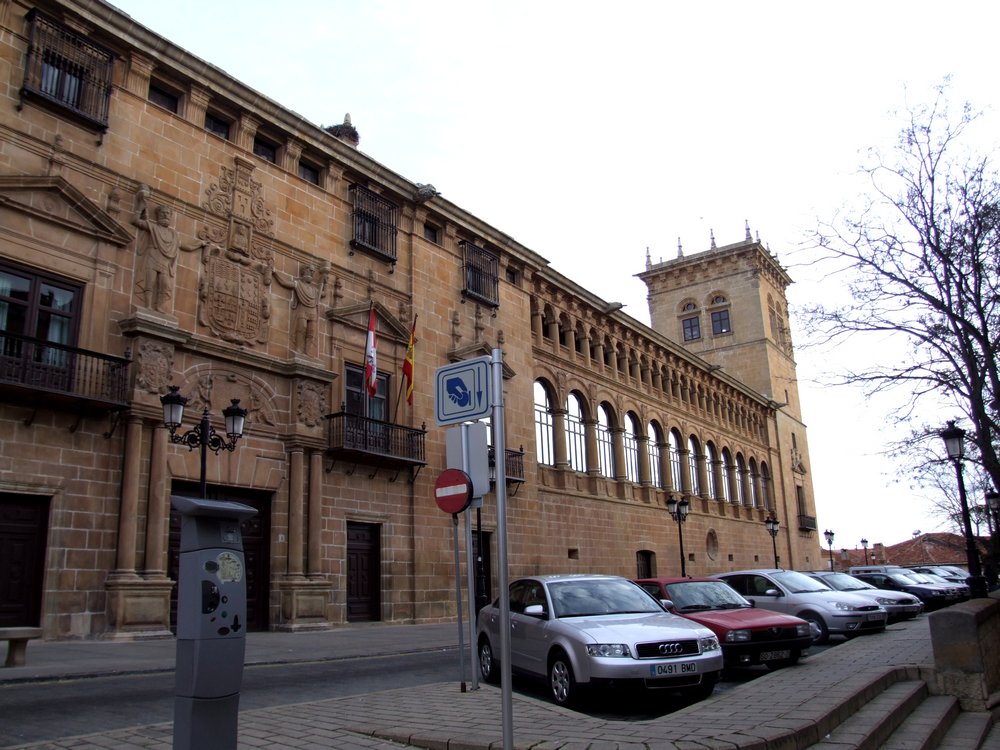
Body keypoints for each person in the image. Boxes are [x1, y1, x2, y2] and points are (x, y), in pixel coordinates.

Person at [132, 186, 181, 313]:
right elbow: (136, 221)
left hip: (164, 263)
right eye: (163, 213)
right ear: (158, 215)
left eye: (168, 214)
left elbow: (182, 245)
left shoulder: (173, 234)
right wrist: (140, 207)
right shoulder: (153, 226)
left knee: (165, 286)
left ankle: (159, 306)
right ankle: (147, 306)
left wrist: (199, 243)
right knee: (150, 283)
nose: (165, 215)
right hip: (152, 258)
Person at [274, 262, 329, 357]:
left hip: (312, 312)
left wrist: (325, 283)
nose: (312, 273)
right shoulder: (298, 284)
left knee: (311, 333)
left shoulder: (314, 290)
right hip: (303, 311)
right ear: (304, 271)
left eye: (313, 271)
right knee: (301, 330)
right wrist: (275, 273)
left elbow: (323, 293)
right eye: (310, 270)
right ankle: (299, 351)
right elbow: (283, 283)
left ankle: (307, 353)